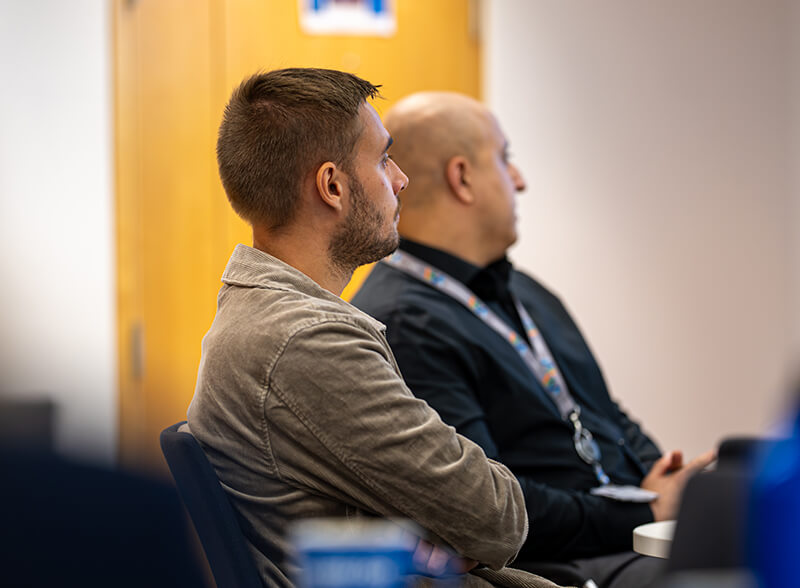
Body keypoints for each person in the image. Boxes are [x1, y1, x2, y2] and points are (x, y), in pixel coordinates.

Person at [185, 69, 561, 588]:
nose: (401, 179)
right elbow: (496, 518)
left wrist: (428, 535)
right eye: (384, 158)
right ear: (333, 186)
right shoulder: (305, 340)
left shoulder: (270, 318)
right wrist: (437, 537)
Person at [351, 92, 715, 588]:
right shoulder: (403, 322)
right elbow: (485, 508)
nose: (520, 180)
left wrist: (660, 475)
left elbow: (603, 414)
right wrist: (645, 510)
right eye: (505, 159)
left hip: (619, 537)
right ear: (463, 178)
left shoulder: (524, 290)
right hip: (554, 564)